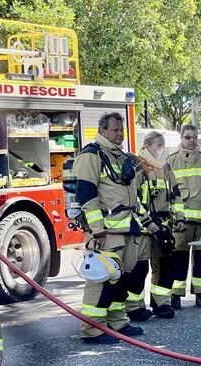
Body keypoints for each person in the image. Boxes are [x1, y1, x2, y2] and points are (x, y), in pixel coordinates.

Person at [73, 112, 144, 344]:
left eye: (121, 130)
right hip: (107, 232)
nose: (119, 134)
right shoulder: (91, 155)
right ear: (102, 130)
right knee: (100, 281)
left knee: (120, 280)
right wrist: (97, 228)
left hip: (126, 229)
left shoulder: (119, 156)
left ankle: (117, 322)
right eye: (114, 130)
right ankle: (92, 330)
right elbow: (86, 193)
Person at [128, 131, 185, 320]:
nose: (162, 149)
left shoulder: (166, 168)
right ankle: (135, 308)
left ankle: (162, 304)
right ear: (147, 146)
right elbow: (132, 198)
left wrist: (180, 217)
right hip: (143, 227)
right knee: (140, 268)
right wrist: (147, 221)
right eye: (158, 145)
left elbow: (175, 195)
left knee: (166, 265)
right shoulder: (137, 166)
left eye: (163, 145)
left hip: (164, 225)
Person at [167, 124, 201, 309]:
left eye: (194, 137)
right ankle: (175, 295)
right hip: (181, 221)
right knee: (178, 258)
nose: (191, 140)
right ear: (181, 139)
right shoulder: (171, 161)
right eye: (187, 137)